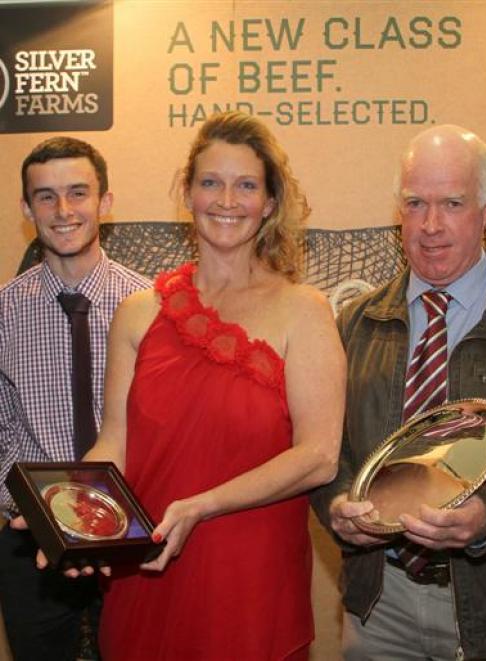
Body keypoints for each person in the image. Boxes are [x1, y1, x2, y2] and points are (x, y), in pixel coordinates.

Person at [68, 111, 346, 660]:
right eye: (210, 182)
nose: (226, 200)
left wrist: (203, 505)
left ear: (269, 202)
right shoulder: (137, 313)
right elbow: (115, 443)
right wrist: (73, 508)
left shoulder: (304, 312)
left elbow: (319, 457)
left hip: (250, 583)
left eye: (246, 185)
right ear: (188, 194)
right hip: (146, 571)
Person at [311, 124, 486, 661]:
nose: (431, 225)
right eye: (415, 203)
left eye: (452, 203)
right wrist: (338, 505)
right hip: (380, 607)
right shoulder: (355, 324)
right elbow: (328, 455)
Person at [0, 136, 151, 661]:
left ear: (105, 202)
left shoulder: (151, 306)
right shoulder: (4, 311)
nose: (63, 211)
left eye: (78, 193)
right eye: (45, 196)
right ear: (26, 208)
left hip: (132, 534)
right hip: (29, 538)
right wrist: (38, 516)